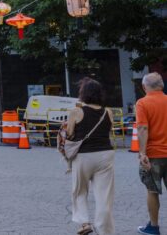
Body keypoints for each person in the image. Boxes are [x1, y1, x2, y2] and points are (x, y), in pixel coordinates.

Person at [66, 77, 115, 235]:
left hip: (84, 156)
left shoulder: (76, 111)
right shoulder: (108, 111)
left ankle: (84, 222)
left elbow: (70, 134)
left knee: (79, 190)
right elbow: (109, 130)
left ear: (83, 94)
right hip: (105, 155)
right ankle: (105, 230)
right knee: (104, 196)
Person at [136, 73, 167, 235]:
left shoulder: (143, 103)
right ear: (161, 85)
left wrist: (142, 153)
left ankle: (153, 227)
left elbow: (142, 128)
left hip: (153, 155)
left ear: (144, 87)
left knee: (152, 191)